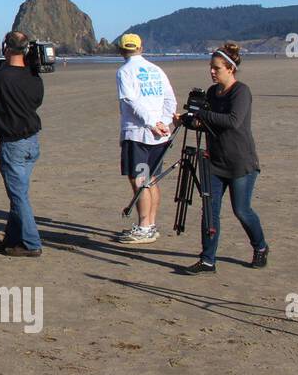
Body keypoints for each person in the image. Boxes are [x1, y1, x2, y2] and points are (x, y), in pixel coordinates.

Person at [173, 43, 270, 274]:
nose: (212, 71)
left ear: (230, 68)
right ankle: (207, 259)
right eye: (211, 67)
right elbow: (205, 124)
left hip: (241, 163)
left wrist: (200, 114)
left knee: (242, 210)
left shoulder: (241, 91)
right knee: (209, 210)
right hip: (214, 162)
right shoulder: (211, 92)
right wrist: (186, 120)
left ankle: (261, 247)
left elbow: (232, 121)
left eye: (216, 68)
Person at [0, 31, 44, 257]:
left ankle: (31, 243)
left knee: (18, 196)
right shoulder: (33, 74)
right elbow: (38, 100)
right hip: (31, 140)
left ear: (6, 47)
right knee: (20, 193)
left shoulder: (1, 77)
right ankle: (13, 239)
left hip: (14, 142)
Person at [113, 34, 177, 244]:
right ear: (140, 48)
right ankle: (149, 224)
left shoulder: (124, 71)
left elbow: (130, 100)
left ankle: (144, 227)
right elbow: (170, 99)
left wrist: (153, 122)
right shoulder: (156, 70)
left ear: (122, 50)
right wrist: (164, 121)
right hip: (157, 134)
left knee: (141, 180)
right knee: (151, 179)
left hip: (139, 134)